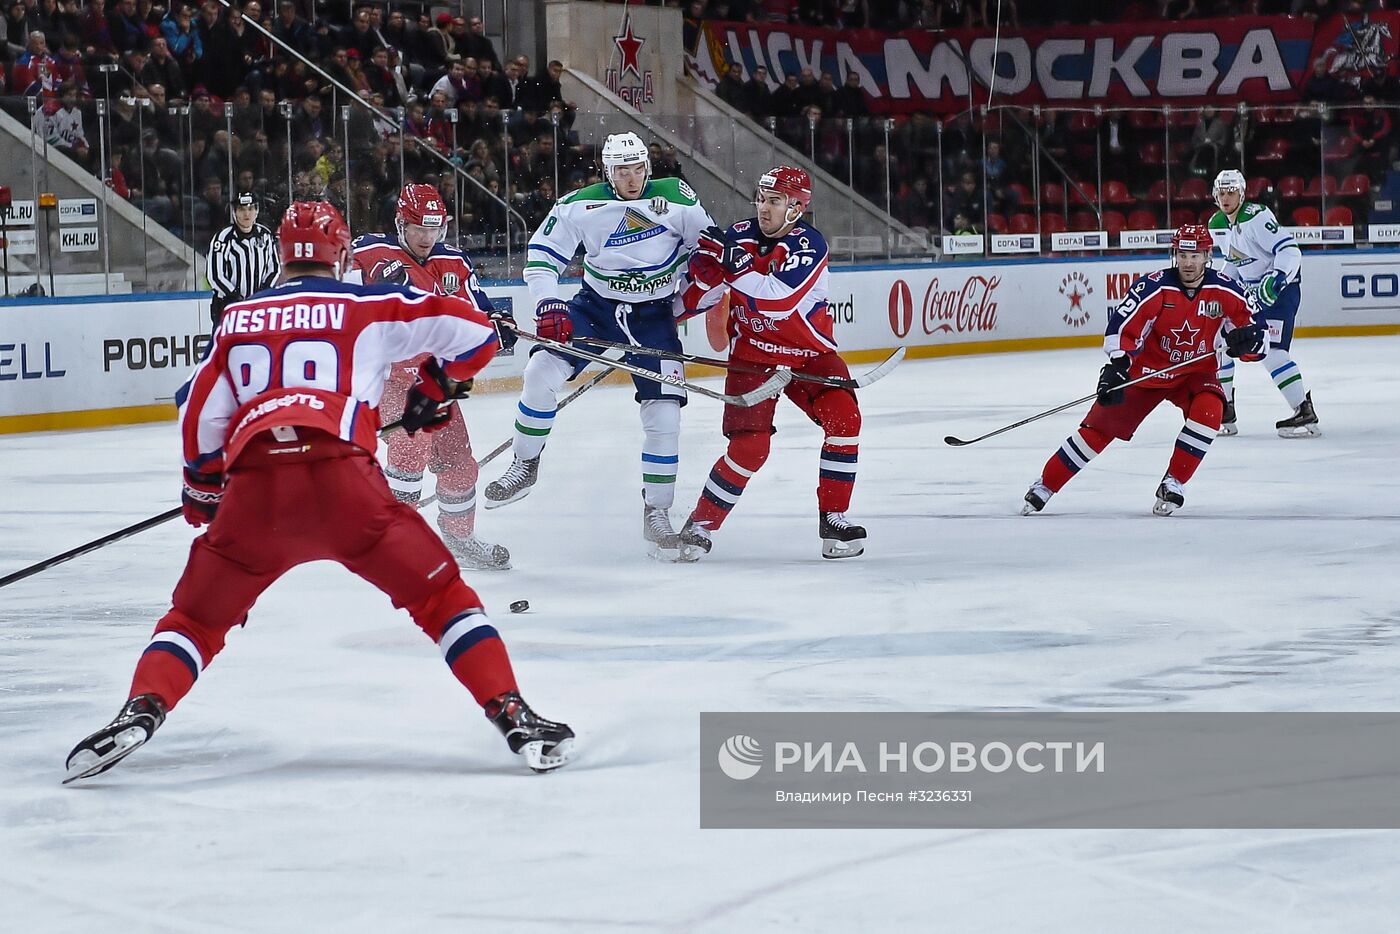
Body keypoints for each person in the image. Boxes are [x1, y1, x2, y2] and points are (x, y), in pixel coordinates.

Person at [64, 202, 574, 784]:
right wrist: (437, 388)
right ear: (345, 253)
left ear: (281, 254)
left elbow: (199, 414)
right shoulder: (367, 305)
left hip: (256, 493)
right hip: (345, 487)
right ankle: (511, 710)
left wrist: (204, 489)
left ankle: (143, 707)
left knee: (194, 620)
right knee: (443, 601)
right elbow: (479, 333)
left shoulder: (238, 319)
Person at [483, 131, 715, 559]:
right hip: (596, 308)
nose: (631, 178)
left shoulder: (677, 197)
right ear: (607, 171)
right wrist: (549, 300)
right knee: (539, 372)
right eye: (622, 171)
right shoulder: (578, 203)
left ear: (649, 165)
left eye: (638, 168)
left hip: (653, 317)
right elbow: (541, 254)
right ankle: (524, 464)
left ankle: (657, 512)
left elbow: (710, 254)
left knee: (664, 416)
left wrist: (689, 298)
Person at [674, 166, 866, 561]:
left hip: (809, 355)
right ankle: (700, 526)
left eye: (774, 201)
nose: (764, 208)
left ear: (796, 208)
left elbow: (777, 301)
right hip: (753, 358)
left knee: (845, 418)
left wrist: (732, 265)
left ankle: (833, 516)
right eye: (761, 199)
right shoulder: (738, 236)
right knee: (750, 448)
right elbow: (697, 297)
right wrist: (694, 291)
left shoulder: (810, 245)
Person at [1020, 224, 1265, 517]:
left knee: (1211, 411)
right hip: (1145, 372)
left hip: (1193, 372)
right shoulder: (1154, 286)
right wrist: (1118, 365)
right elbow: (1123, 327)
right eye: (1183, 254)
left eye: (1196, 255)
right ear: (1175, 254)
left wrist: (1247, 343)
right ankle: (1046, 484)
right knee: (1099, 430)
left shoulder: (1226, 289)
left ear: (1207, 255)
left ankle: (1174, 482)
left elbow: (1256, 334)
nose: (1189, 262)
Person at [351, 183, 514, 570]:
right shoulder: (369, 252)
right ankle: (391, 543)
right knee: (411, 450)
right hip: (387, 375)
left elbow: (480, 309)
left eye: (435, 229)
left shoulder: (453, 261)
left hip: (434, 380)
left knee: (460, 463)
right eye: (419, 229)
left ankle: (459, 540)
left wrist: (499, 323)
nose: (427, 238)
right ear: (400, 223)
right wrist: (374, 291)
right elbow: (337, 300)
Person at [1208, 169, 1320, 438]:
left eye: (1231, 192)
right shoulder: (1217, 224)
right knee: (1219, 339)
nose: (1226, 197)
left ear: (1241, 193)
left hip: (1281, 292)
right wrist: (1220, 289)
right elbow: (1235, 261)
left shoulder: (1256, 216)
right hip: (1252, 294)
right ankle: (1226, 409)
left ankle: (1303, 410)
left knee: (1273, 353)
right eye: (1221, 192)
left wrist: (1277, 279)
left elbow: (1290, 250)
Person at [207, 191, 280, 328]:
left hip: (259, 307)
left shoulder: (264, 235)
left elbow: (274, 269)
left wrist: (263, 293)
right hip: (228, 307)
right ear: (234, 211)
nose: (247, 214)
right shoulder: (223, 238)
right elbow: (215, 275)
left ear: (256, 211)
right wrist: (235, 297)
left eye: (251, 209)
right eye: (242, 209)